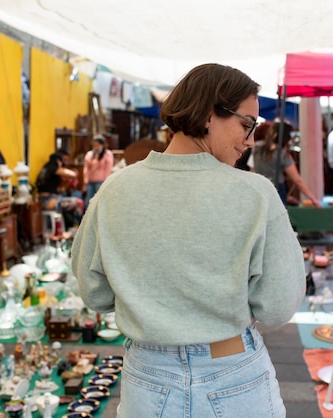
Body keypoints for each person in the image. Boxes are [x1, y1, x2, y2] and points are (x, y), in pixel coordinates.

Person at [71, 63, 305, 418]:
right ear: (210, 114)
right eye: (247, 124)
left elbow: (95, 293)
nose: (250, 139)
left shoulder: (115, 190)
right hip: (233, 372)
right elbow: (276, 306)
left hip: (148, 377)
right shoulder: (255, 193)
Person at [251, 121, 321, 207]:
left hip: (259, 189)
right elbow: (297, 180)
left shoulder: (256, 147)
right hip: (276, 191)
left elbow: (252, 170)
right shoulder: (282, 154)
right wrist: (313, 199)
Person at [35, 152, 84, 230]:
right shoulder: (53, 169)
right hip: (49, 200)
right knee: (79, 202)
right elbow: (73, 174)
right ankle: (77, 229)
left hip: (42, 200)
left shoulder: (44, 170)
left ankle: (68, 228)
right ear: (58, 161)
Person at [82, 136, 114, 208]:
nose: (96, 147)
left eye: (98, 145)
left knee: (100, 202)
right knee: (88, 202)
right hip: (91, 181)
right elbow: (86, 168)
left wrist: (106, 181)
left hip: (101, 182)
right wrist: (85, 181)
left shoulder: (107, 154)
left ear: (102, 145)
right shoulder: (89, 154)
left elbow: (108, 168)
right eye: (94, 145)